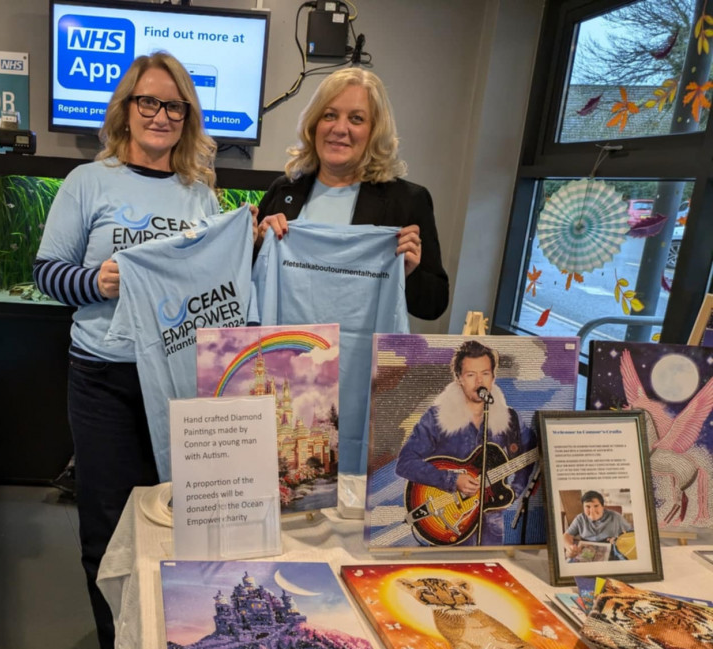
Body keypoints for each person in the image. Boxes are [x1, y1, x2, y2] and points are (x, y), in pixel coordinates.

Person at [32, 52, 220, 649]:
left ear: (187, 117)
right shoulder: (89, 182)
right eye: (149, 102)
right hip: (106, 379)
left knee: (181, 520)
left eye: (174, 106)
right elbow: (47, 272)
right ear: (127, 108)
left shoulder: (201, 195)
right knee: (108, 521)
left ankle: (177, 642)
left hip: (178, 381)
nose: (161, 115)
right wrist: (98, 278)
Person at [255, 67, 449, 321]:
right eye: (329, 115)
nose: (340, 128)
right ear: (314, 124)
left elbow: (434, 305)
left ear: (374, 131)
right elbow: (246, 284)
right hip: (284, 352)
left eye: (356, 119)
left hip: (358, 356)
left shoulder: (407, 201)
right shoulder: (284, 190)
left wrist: (409, 274)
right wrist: (258, 246)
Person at [395, 340, 537, 545]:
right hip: (447, 519)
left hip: (491, 526)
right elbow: (405, 463)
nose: (479, 381)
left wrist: (514, 491)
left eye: (485, 373)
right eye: (471, 375)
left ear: (493, 377)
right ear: (459, 378)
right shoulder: (437, 418)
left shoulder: (510, 419)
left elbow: (529, 455)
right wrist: (452, 481)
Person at [564, 490, 633, 562]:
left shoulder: (615, 516)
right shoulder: (580, 518)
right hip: (586, 551)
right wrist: (570, 547)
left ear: (603, 506)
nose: (592, 511)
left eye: (596, 506)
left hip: (610, 552)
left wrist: (618, 539)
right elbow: (567, 535)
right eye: (587, 506)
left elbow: (631, 534)